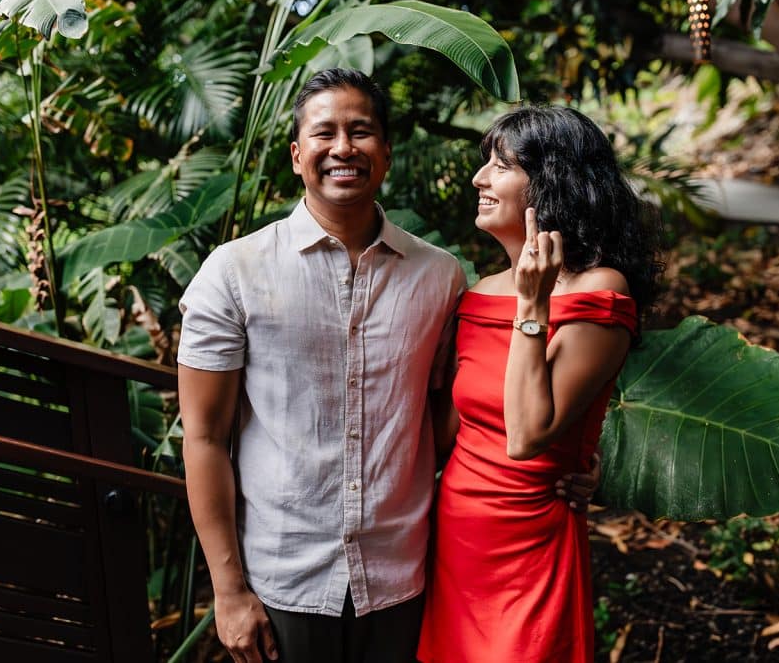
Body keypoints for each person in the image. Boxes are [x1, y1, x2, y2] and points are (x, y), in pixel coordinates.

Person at [178, 69, 600, 663]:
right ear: (298, 156)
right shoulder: (234, 272)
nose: (343, 148)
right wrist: (226, 590)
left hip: (406, 575)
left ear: (387, 154)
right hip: (286, 578)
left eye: (362, 131)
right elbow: (203, 436)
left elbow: (466, 404)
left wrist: (574, 461)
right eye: (324, 134)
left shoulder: (440, 276)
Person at [417, 106, 662, 663]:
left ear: (552, 182)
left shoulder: (600, 289)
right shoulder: (478, 292)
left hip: (529, 545)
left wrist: (533, 305)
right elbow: (449, 433)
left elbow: (528, 435)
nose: (479, 178)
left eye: (500, 166)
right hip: (456, 542)